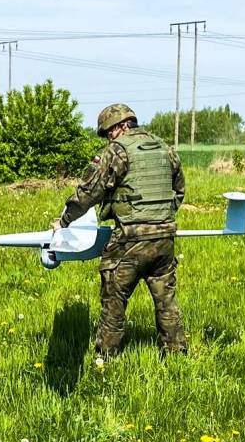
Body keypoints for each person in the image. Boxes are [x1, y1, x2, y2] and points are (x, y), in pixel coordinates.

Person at [54, 104, 188, 357]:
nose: (108, 139)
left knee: (114, 300)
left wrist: (64, 221)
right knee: (166, 301)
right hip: (164, 238)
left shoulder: (118, 150)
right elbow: (179, 190)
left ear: (120, 126)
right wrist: (161, 218)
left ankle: (105, 358)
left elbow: (90, 192)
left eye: (108, 133)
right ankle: (176, 355)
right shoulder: (164, 147)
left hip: (129, 240)